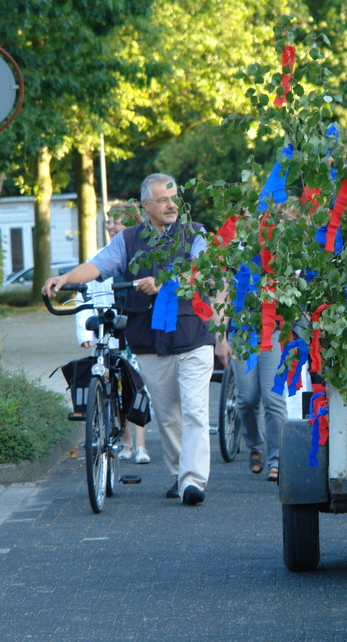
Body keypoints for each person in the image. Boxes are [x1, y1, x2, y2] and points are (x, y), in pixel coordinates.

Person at [44, 173, 228, 506]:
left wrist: (162, 282)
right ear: (146, 206)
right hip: (148, 342)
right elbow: (100, 265)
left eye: (173, 198)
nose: (171, 205)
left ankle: (193, 481)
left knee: (195, 412)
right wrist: (66, 277)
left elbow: (202, 268)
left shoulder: (196, 233)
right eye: (162, 200)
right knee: (168, 415)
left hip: (192, 338)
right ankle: (178, 474)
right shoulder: (129, 240)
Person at [75, 201, 150, 464]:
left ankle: (140, 444)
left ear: (131, 225)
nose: (111, 226)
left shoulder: (141, 257)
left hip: (134, 328)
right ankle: (126, 440)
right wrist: (84, 330)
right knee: (111, 386)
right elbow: (83, 294)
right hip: (106, 329)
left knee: (136, 384)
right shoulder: (98, 256)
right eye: (109, 221)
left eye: (116, 221)